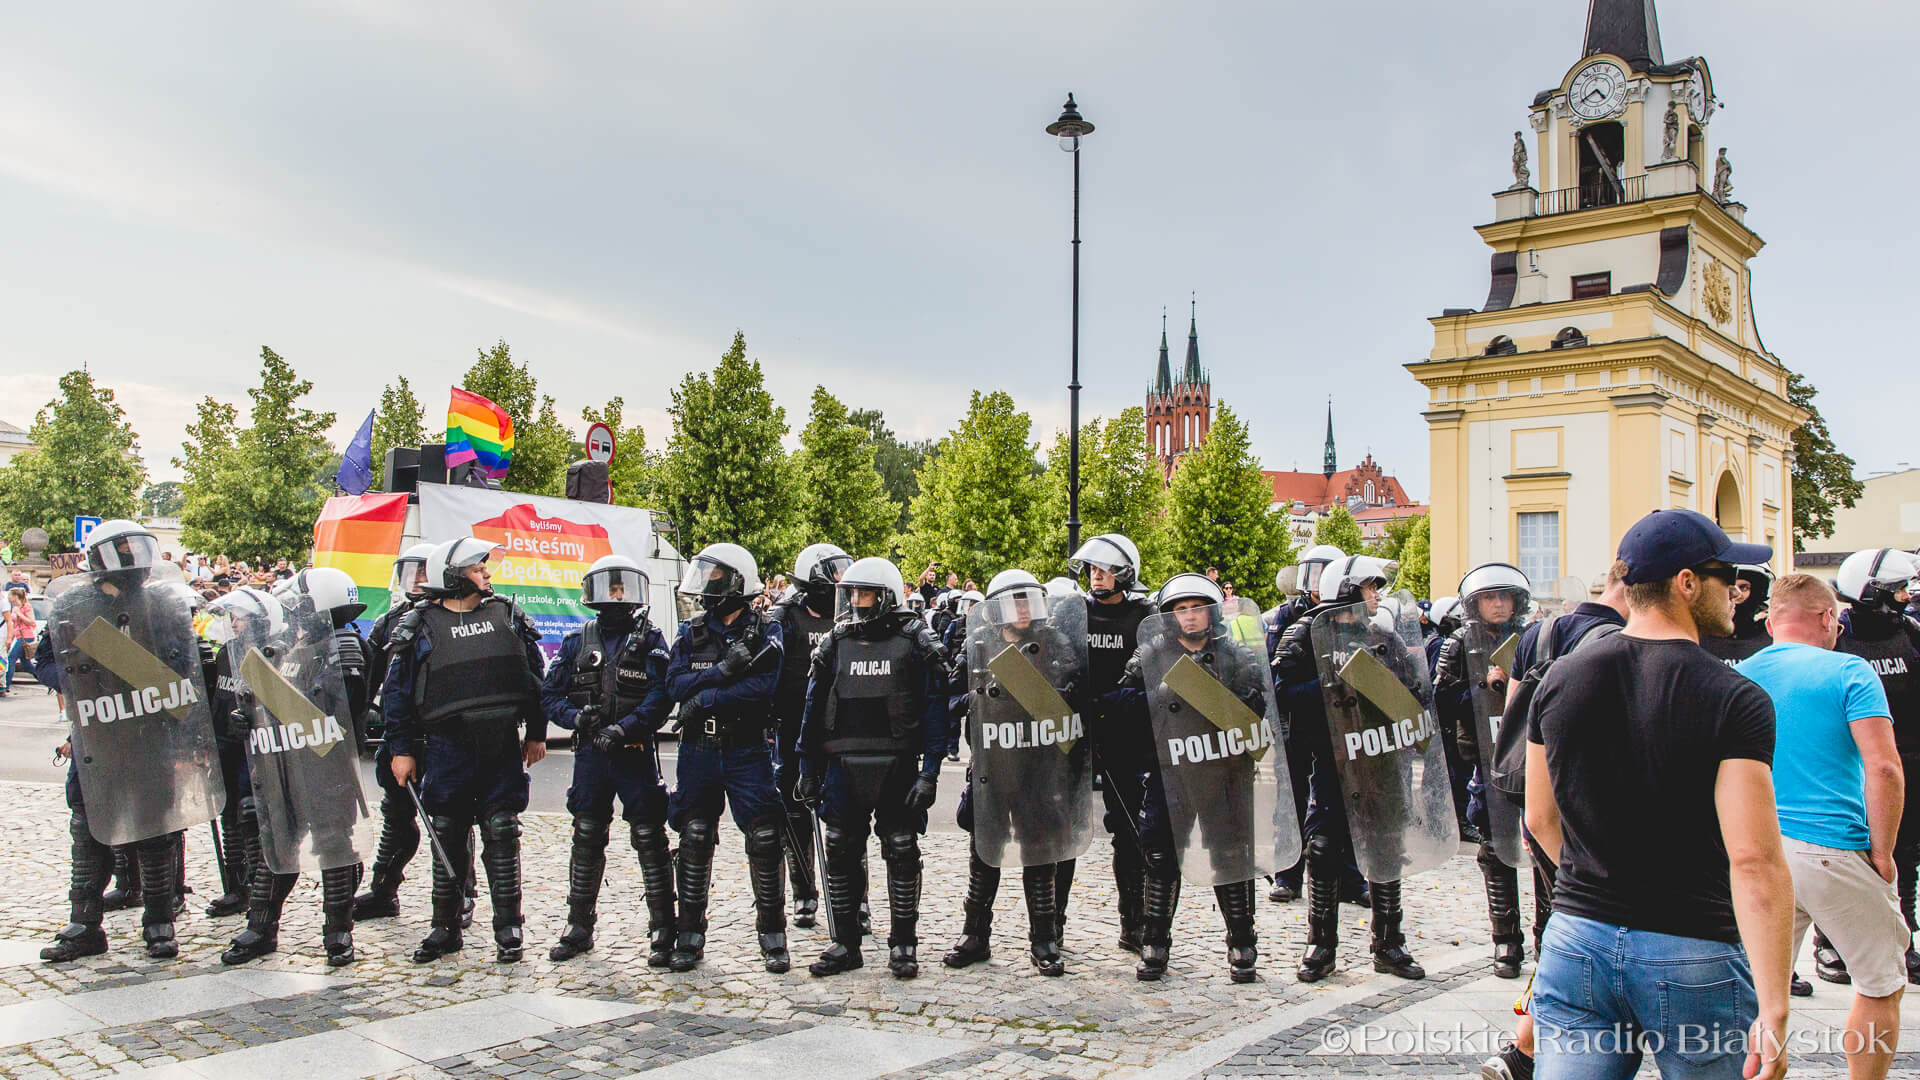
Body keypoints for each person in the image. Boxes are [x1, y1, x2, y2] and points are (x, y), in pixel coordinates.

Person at [1525, 509, 1790, 1080]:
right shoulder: (1734, 697)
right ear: (1687, 583)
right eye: (1728, 577)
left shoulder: (1561, 677)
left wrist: (1595, 884)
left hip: (1577, 940)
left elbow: (1540, 817)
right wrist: (1774, 1004)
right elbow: (1755, 861)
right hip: (1692, 946)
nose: (1739, 592)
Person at [1738, 573, 1905, 1080]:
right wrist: (1884, 851)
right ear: (1828, 617)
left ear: (1770, 620)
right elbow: (1883, 767)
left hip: (1760, 851)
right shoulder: (1849, 671)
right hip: (1832, 845)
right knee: (1880, 983)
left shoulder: (1738, 674)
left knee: (1761, 991)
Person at [37, 520, 215, 962]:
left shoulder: (162, 606)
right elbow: (44, 659)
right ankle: (85, 925)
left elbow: (184, 669)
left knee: (156, 831)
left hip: (150, 734)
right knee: (89, 827)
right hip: (98, 735)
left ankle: (159, 924)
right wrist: (78, 682)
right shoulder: (73, 607)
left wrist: (184, 737)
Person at [382, 537, 548, 963]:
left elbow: (533, 677)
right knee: (448, 835)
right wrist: (402, 749)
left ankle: (509, 929)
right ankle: (445, 927)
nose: (487, 574)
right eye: (478, 568)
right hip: (446, 748)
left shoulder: (507, 614)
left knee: (501, 832)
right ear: (454, 576)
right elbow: (397, 695)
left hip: (500, 747)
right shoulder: (419, 625)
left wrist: (537, 732)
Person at [1274, 554, 1435, 983]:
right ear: (1346, 590)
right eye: (1369, 587)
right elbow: (1280, 690)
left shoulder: (1383, 636)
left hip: (1380, 758)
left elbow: (1417, 691)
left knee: (1385, 847)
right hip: (1331, 758)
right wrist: (1330, 682)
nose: (1376, 595)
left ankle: (1390, 944)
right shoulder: (1306, 631)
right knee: (1324, 847)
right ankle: (1320, 945)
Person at [795, 557, 949, 978]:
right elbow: (812, 708)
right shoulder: (836, 642)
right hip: (842, 764)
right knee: (840, 848)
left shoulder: (914, 642)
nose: (857, 602)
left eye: (865, 593)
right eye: (853, 593)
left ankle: (903, 944)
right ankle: (845, 943)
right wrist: (807, 766)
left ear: (886, 596)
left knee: (901, 849)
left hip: (897, 762)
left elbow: (936, 710)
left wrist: (930, 771)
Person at [218, 569, 373, 967]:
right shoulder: (290, 646)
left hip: (327, 769)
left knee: (334, 848)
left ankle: (338, 933)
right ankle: (260, 928)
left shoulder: (343, 646)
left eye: (298, 604)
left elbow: (343, 700)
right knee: (278, 846)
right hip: (284, 764)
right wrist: (247, 716)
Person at [943, 569, 1085, 976]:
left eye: (1028, 600)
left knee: (1040, 856)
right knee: (983, 854)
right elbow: (952, 696)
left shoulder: (1056, 644)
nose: (1022, 609)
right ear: (997, 608)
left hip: (1040, 768)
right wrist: (977, 698)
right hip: (992, 766)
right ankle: (975, 934)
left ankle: (1044, 940)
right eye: (1014, 600)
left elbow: (1075, 696)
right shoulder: (978, 645)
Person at [542, 555, 678, 965]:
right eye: (610, 588)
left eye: (622, 589)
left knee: (649, 836)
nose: (617, 596)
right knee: (586, 834)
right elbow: (550, 694)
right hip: (590, 753)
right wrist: (575, 718)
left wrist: (629, 727)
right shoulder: (577, 641)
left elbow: (662, 694)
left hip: (634, 752)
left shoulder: (652, 640)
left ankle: (663, 927)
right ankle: (579, 925)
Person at [662, 542, 787, 973]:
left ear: (736, 581)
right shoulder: (691, 631)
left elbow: (763, 688)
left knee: (765, 838)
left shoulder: (765, 630)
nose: (708, 584)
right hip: (699, 749)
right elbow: (674, 685)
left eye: (716, 576)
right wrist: (722, 673)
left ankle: (773, 934)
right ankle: (690, 934)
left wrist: (708, 695)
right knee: (694, 836)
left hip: (746, 747)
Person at [352, 544, 478, 925]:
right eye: (412, 574)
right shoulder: (390, 622)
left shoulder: (456, 616)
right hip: (401, 737)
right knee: (397, 817)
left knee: (452, 822)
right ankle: (384, 890)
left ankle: (461, 893)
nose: (419, 581)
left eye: (424, 573)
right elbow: (370, 680)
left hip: (445, 738)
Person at [1826, 547, 1920, 988]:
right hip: (1853, 765)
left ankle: (1905, 940)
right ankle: (1832, 944)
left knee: (1904, 855)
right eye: (1898, 589)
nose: (1905, 597)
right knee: (1844, 854)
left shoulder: (1912, 633)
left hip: (1908, 761)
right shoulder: (1839, 636)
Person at [1435, 562, 1533, 977]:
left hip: (1528, 753)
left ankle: (1547, 934)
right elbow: (1439, 697)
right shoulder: (1459, 642)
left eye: (1504, 596)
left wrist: (1512, 683)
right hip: (1484, 755)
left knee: (1539, 843)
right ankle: (1506, 942)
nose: (1498, 604)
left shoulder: (1530, 637)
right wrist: (1481, 687)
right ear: (1476, 603)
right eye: (1490, 597)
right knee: (1494, 849)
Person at [1066, 535, 1155, 952]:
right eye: (1092, 570)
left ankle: (1133, 924)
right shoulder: (1074, 612)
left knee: (1129, 831)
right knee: (1063, 828)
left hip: (1124, 734)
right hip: (1076, 733)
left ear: (1125, 574)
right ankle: (1052, 924)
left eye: (1103, 570)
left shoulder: (1146, 616)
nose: (1095, 576)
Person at [768, 543, 852, 935]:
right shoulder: (785, 618)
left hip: (837, 730)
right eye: (835, 573)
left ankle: (855, 899)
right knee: (794, 814)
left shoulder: (850, 617)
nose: (842, 580)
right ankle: (804, 894)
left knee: (843, 816)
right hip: (792, 729)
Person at [4, 585, 34, 695]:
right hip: (18, 636)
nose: (8, 598)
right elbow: (13, 625)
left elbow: (31, 622)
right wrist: (10, 639)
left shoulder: (26, 607)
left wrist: (19, 614)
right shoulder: (14, 607)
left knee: (11, 658)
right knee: (26, 665)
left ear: (15, 596)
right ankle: (46, 679)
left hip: (26, 636)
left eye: (10, 595)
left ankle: (6, 685)